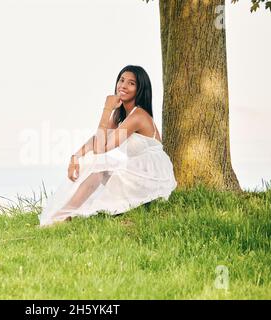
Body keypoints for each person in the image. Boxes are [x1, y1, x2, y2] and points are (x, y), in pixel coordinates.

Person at [38, 65, 177, 227]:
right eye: (121, 80)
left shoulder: (138, 115)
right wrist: (75, 156)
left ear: (140, 89)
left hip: (152, 173)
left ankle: (64, 215)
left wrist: (107, 108)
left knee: (99, 163)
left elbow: (101, 149)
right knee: (96, 166)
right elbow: (99, 139)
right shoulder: (121, 115)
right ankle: (64, 215)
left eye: (131, 83)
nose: (123, 85)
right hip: (137, 171)